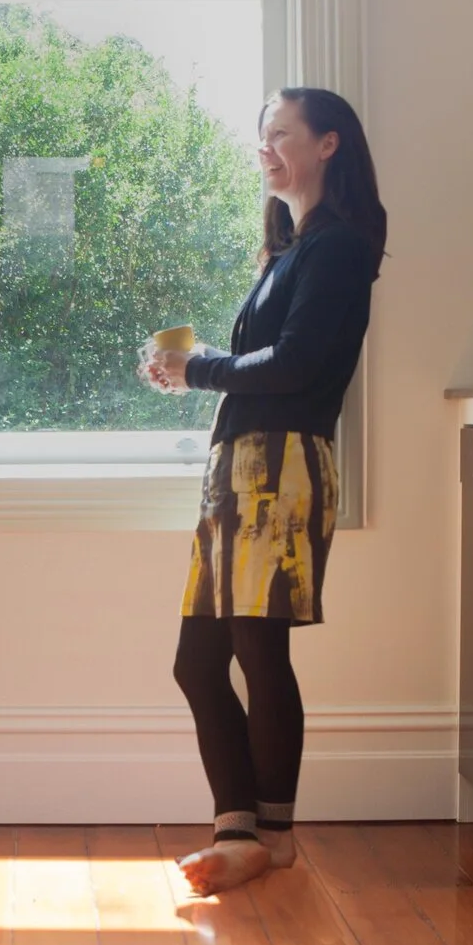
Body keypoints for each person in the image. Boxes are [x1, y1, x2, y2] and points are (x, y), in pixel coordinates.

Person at [140, 87, 387, 897]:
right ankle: (239, 829)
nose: (266, 149)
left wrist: (196, 365)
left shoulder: (341, 247)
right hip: (242, 468)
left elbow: (295, 366)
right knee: (198, 662)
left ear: (329, 144)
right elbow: (268, 364)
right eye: (262, 138)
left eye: (281, 133)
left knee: (256, 649)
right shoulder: (290, 250)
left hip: (281, 469)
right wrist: (196, 369)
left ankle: (270, 837)